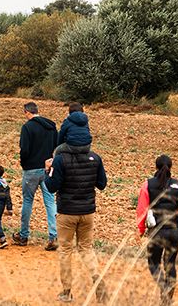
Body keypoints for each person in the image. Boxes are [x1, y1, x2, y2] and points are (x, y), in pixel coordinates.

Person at [45, 130, 109, 303]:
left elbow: (51, 187)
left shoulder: (60, 159)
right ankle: (97, 278)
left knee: (65, 251)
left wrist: (47, 171)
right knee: (86, 248)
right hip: (87, 212)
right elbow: (102, 184)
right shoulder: (95, 158)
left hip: (67, 212)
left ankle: (66, 292)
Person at [137, 155, 178, 305]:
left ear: (156, 167)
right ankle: (168, 298)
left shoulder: (147, 185)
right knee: (170, 264)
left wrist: (141, 229)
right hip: (175, 232)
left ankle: (163, 288)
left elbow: (142, 210)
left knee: (153, 264)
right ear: (171, 167)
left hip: (157, 232)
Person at [17, 101, 60, 250]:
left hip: (31, 169)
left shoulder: (27, 127)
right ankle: (53, 236)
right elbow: (57, 146)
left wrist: (24, 162)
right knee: (50, 202)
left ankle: (23, 236)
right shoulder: (51, 126)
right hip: (48, 168)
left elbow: (24, 149)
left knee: (28, 201)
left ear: (27, 112)